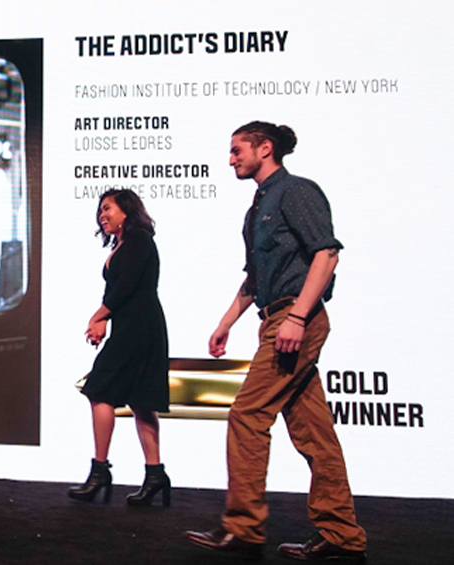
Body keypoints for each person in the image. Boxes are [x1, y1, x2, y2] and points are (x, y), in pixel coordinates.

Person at [184, 122, 367, 561]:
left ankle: (244, 528)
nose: (230, 159)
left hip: (294, 318)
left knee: (247, 415)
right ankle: (342, 537)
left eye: (236, 150)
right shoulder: (257, 209)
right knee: (314, 433)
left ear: (264, 148)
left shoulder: (296, 191)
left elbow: (327, 253)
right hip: (275, 318)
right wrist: (226, 323)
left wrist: (299, 316)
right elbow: (253, 279)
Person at [68, 189, 170, 506]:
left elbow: (126, 287)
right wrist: (103, 320)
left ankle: (100, 471)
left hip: (140, 327)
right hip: (132, 326)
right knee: (141, 400)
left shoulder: (139, 240)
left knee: (99, 390)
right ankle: (155, 476)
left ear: (126, 210)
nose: (102, 215)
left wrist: (97, 317)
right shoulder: (122, 244)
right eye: (99, 210)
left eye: (108, 208)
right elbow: (117, 290)